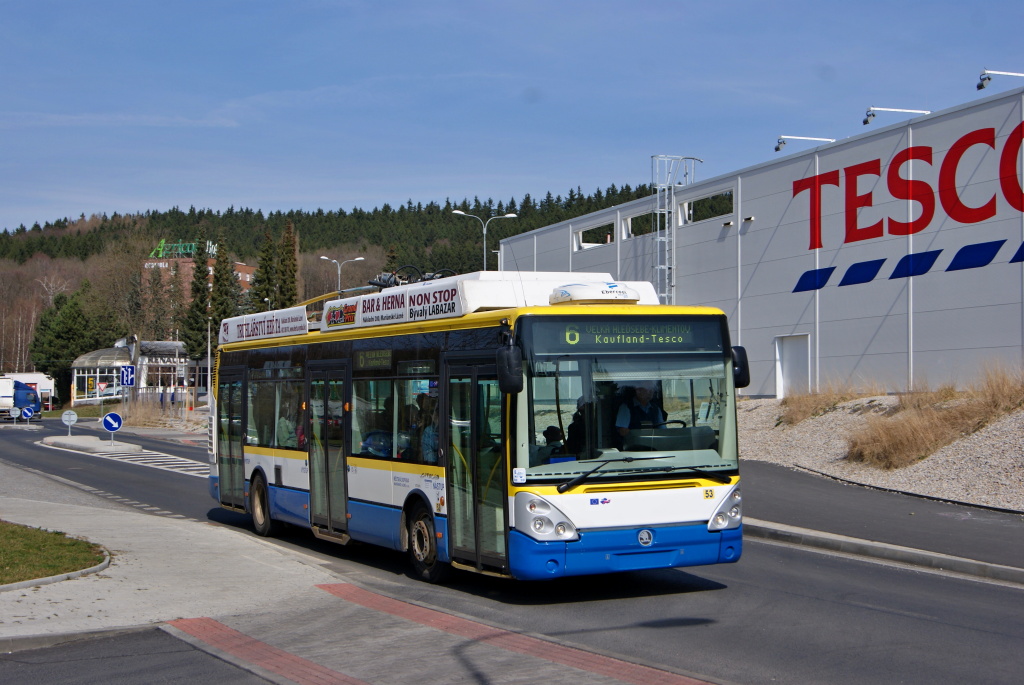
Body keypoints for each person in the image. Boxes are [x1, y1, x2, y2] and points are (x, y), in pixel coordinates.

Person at [420, 398, 439, 465]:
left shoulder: (452, 429)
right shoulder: (428, 431)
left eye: (437, 411)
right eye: (432, 412)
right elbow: (428, 456)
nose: (434, 414)